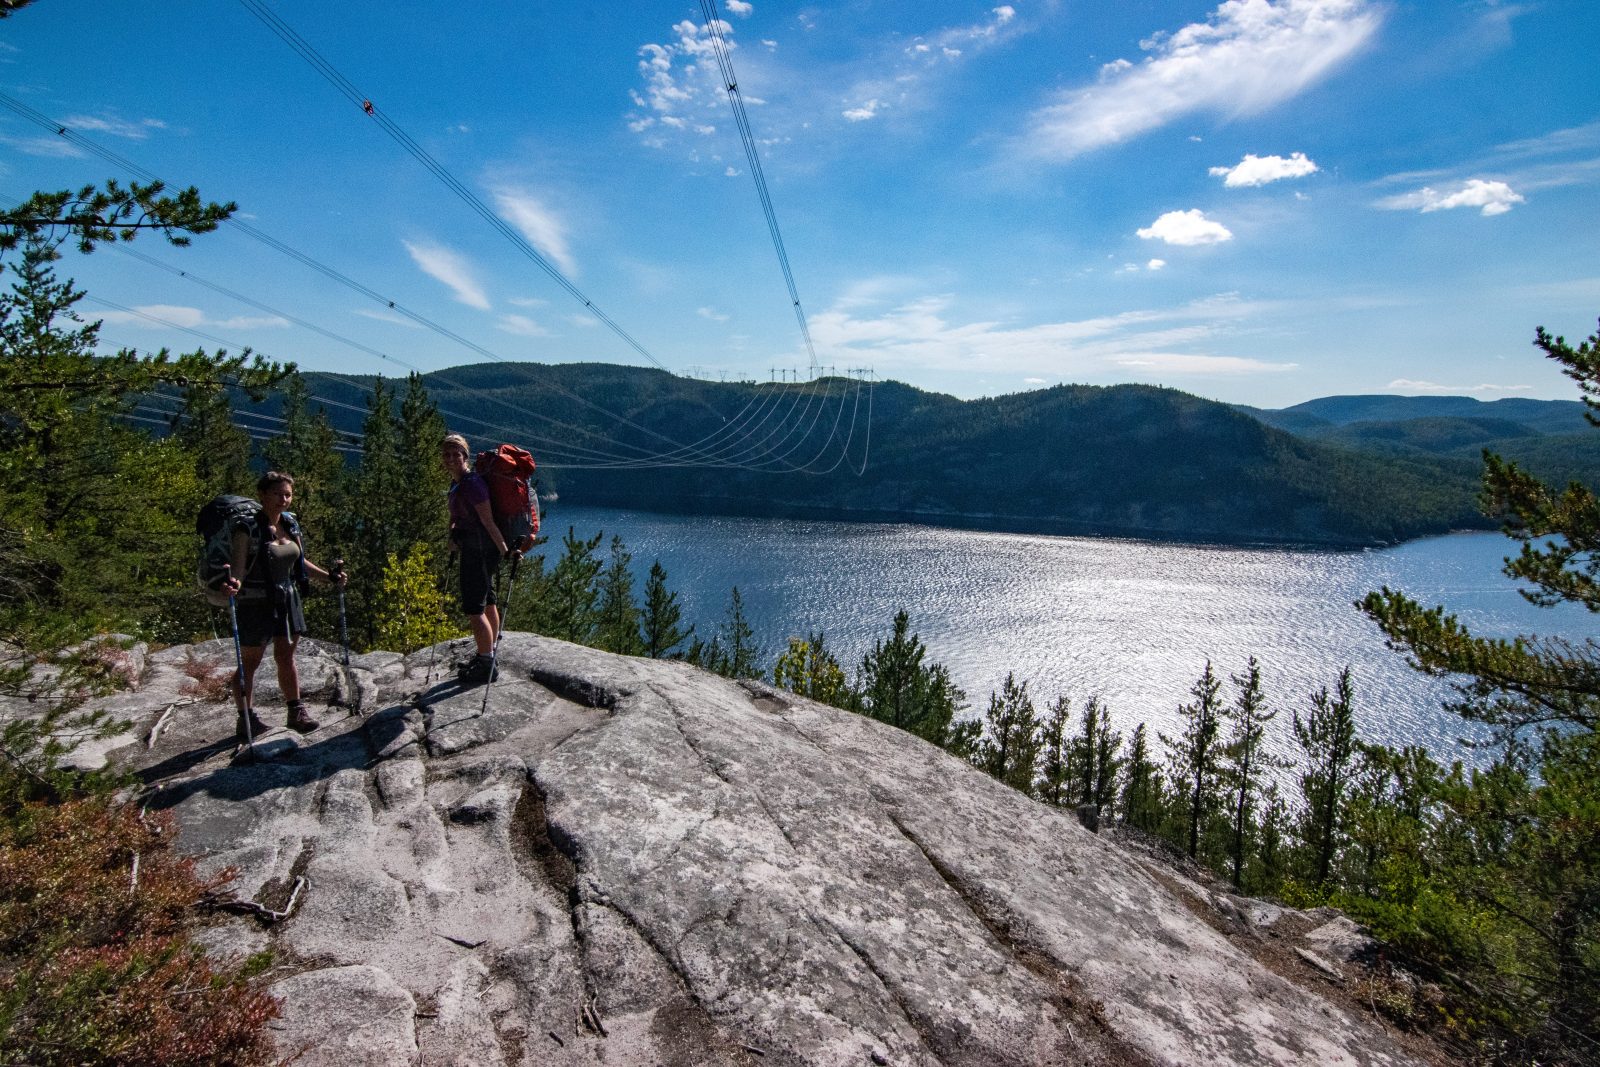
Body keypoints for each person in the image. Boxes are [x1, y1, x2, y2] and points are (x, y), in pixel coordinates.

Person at [221, 471, 346, 740]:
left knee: (286, 657)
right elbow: (239, 569)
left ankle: (295, 710)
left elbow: (300, 563)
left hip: (287, 598)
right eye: (277, 494)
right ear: (263, 495)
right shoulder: (247, 528)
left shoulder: (290, 524)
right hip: (255, 601)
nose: (283, 499)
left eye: (287, 494)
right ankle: (246, 718)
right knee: (250, 662)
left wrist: (329, 577)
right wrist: (235, 586)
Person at [441, 433, 513, 685]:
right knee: (488, 600)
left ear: (465, 456)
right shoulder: (459, 483)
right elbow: (459, 514)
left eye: (456, 454)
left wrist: (506, 551)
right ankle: (488, 654)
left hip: (480, 551)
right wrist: (452, 533)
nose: (451, 459)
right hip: (475, 549)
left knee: (474, 608)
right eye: (447, 454)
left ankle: (486, 664)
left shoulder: (472, 484)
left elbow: (488, 521)